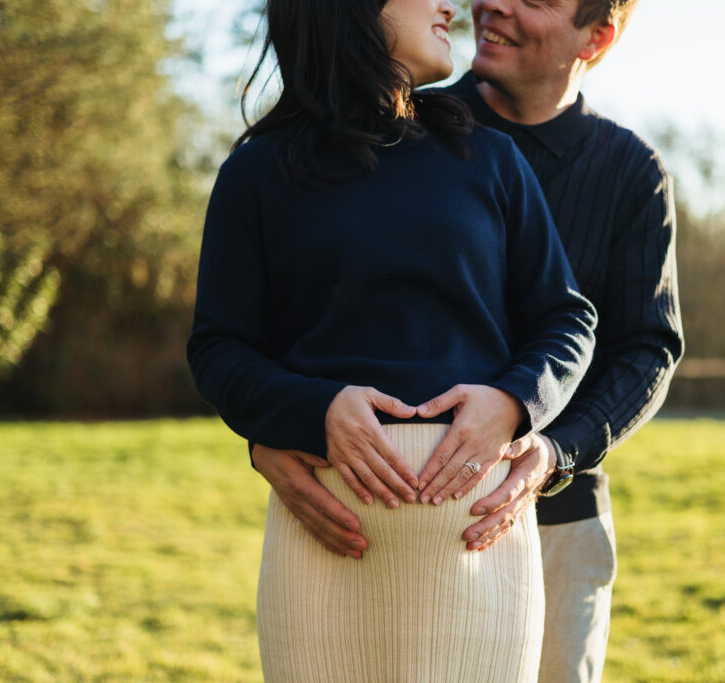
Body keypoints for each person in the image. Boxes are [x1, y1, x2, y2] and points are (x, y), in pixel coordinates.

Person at [185, 0, 597, 680]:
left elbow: (568, 319)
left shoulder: (490, 160)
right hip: (322, 556)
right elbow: (219, 350)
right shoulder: (257, 175)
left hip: (479, 556)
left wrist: (515, 402)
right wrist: (311, 412)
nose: (450, 5)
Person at [439, 1, 686, 681]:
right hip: (408, 516)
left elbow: (649, 349)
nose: (494, 4)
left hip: (560, 524)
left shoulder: (633, 172)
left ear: (597, 36)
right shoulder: (410, 129)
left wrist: (551, 451)